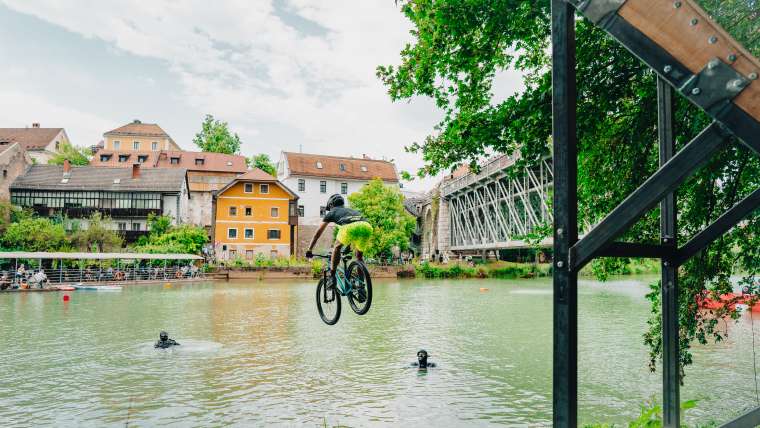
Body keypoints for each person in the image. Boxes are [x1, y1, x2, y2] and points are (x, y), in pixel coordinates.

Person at [305, 194, 373, 292]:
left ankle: (332, 278)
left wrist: (309, 249)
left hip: (349, 228)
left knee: (336, 248)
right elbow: (355, 226)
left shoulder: (332, 212)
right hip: (367, 226)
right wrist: (348, 247)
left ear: (331, 205)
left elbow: (317, 234)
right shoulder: (350, 211)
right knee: (359, 257)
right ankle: (361, 287)